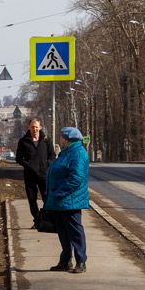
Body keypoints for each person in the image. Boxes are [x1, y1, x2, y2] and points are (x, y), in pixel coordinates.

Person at [44, 126, 90, 273]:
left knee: (75, 232)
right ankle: (65, 261)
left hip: (70, 200)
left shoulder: (77, 153)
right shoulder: (67, 153)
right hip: (62, 200)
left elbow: (76, 178)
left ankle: (81, 262)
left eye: (61, 137)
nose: (60, 139)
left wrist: (58, 193)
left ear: (67, 139)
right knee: (64, 232)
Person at [15, 117, 55, 227]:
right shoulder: (24, 141)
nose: (35, 129)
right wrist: (28, 165)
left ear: (40, 127)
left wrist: (48, 164)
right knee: (32, 200)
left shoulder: (46, 140)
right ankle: (37, 220)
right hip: (30, 175)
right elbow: (18, 158)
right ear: (29, 127)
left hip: (44, 175)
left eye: (36, 127)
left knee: (46, 197)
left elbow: (52, 155)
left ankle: (47, 220)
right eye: (32, 127)